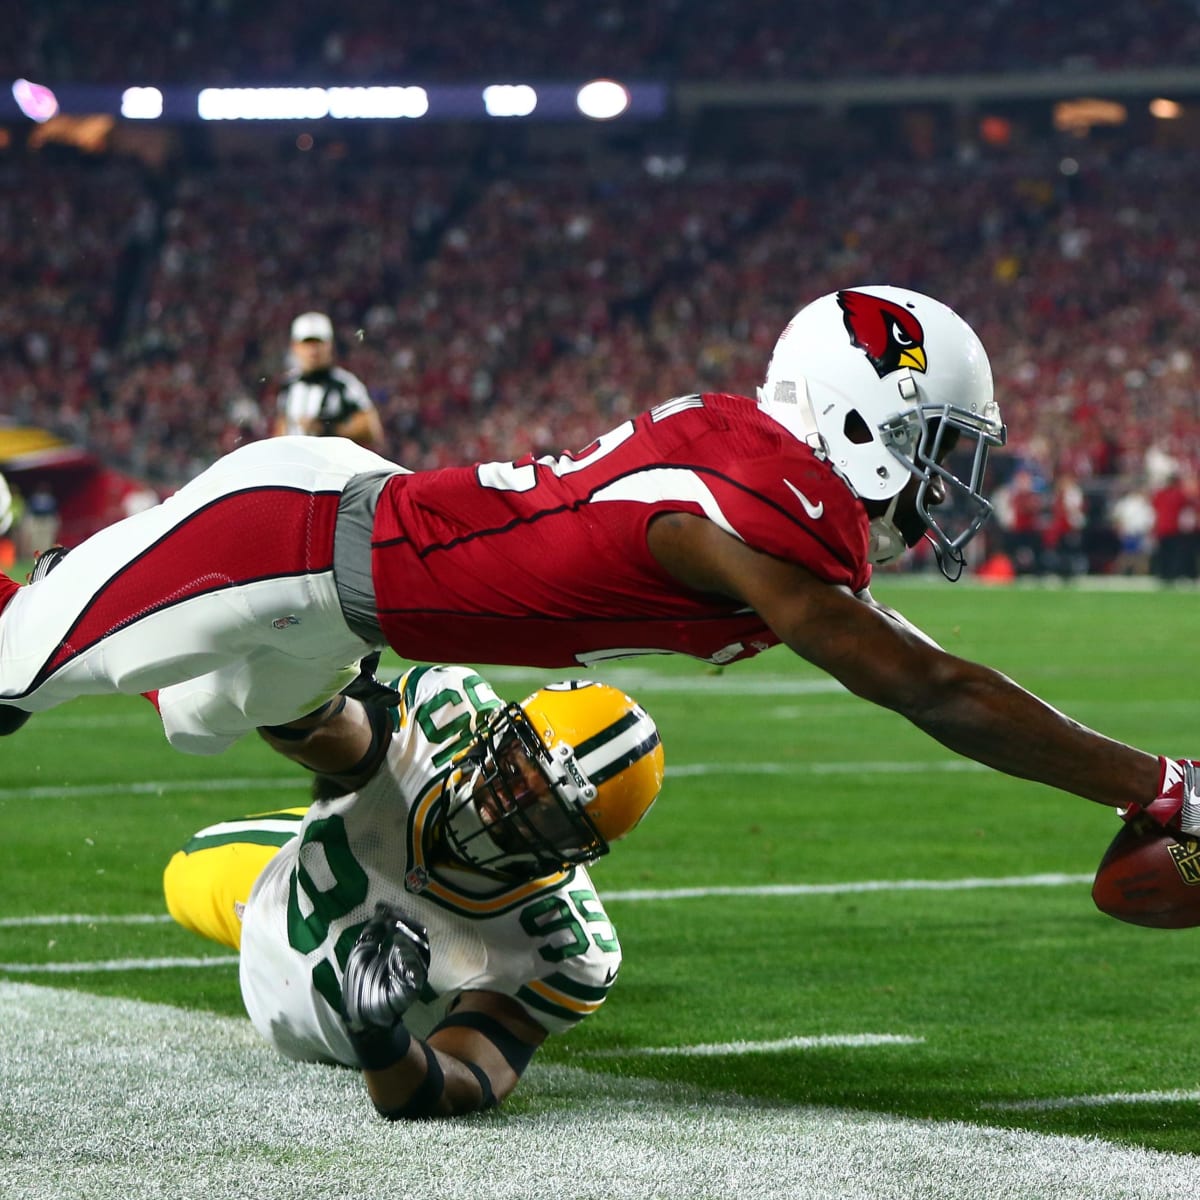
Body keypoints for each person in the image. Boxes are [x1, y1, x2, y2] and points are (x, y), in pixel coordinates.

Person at [1, 284, 1195, 836]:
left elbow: (912, 654)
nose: (947, 481)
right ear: (855, 415)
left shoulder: (760, 469)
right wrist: (1164, 787)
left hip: (344, 614)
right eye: (938, 443)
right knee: (13, 669)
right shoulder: (756, 492)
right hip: (289, 537)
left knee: (199, 720)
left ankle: (121, 630)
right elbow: (930, 687)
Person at [164, 666, 663, 1119]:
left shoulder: (564, 947)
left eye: (546, 814)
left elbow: (459, 1084)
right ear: (502, 730)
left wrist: (380, 1037)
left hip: (296, 993)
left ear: (575, 851)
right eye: (517, 767)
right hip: (288, 884)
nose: (504, 807)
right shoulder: (441, 720)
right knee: (181, 873)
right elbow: (317, 730)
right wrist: (302, 662)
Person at [272, 311, 385, 452]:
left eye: (318, 343)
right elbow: (281, 426)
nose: (313, 350)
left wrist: (328, 429)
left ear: (329, 345)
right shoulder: (288, 386)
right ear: (295, 347)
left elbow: (371, 429)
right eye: (307, 343)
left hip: (334, 468)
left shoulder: (345, 384)